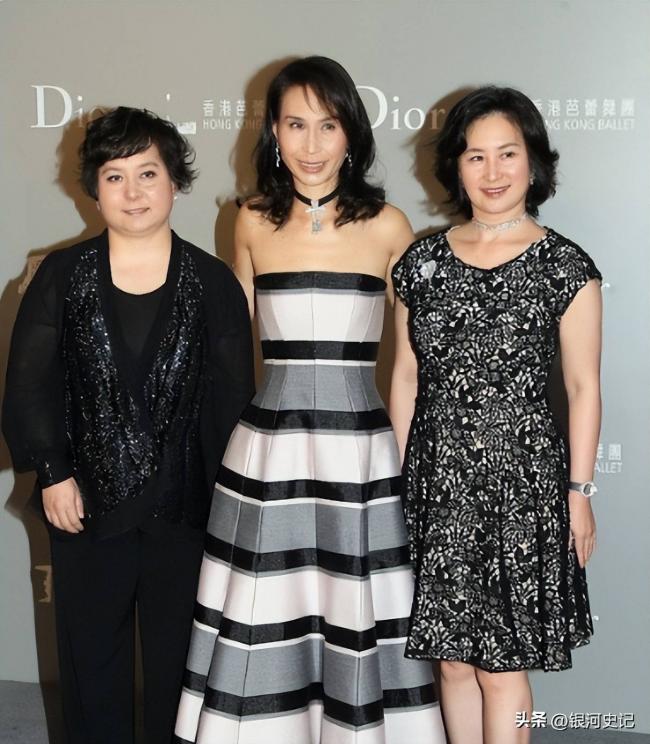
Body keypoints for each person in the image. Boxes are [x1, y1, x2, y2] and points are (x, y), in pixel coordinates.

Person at [174, 56, 446, 744]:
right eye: (296, 125)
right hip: (269, 448)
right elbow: (229, 349)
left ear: (351, 133)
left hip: (360, 450)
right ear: (273, 131)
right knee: (270, 597)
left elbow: (414, 361)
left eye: (328, 125)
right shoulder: (248, 220)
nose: (312, 144)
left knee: (354, 602)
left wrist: (409, 454)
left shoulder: (389, 225)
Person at [2, 107, 254, 744]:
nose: (133, 191)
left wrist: (229, 502)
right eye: (115, 176)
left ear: (175, 183)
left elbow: (233, 400)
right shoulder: (61, 276)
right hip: (83, 505)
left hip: (186, 510)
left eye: (148, 173)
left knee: (179, 671)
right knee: (91, 665)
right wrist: (52, 473)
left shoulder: (214, 282)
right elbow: (29, 384)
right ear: (95, 188)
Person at [390, 86, 602, 744]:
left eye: (507, 153)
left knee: (501, 662)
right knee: (451, 659)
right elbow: (405, 378)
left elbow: (583, 387)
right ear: (456, 167)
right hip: (437, 481)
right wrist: (397, 481)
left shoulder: (565, 267)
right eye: (475, 156)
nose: (492, 171)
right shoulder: (421, 263)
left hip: (523, 485)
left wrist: (579, 493)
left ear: (533, 161)